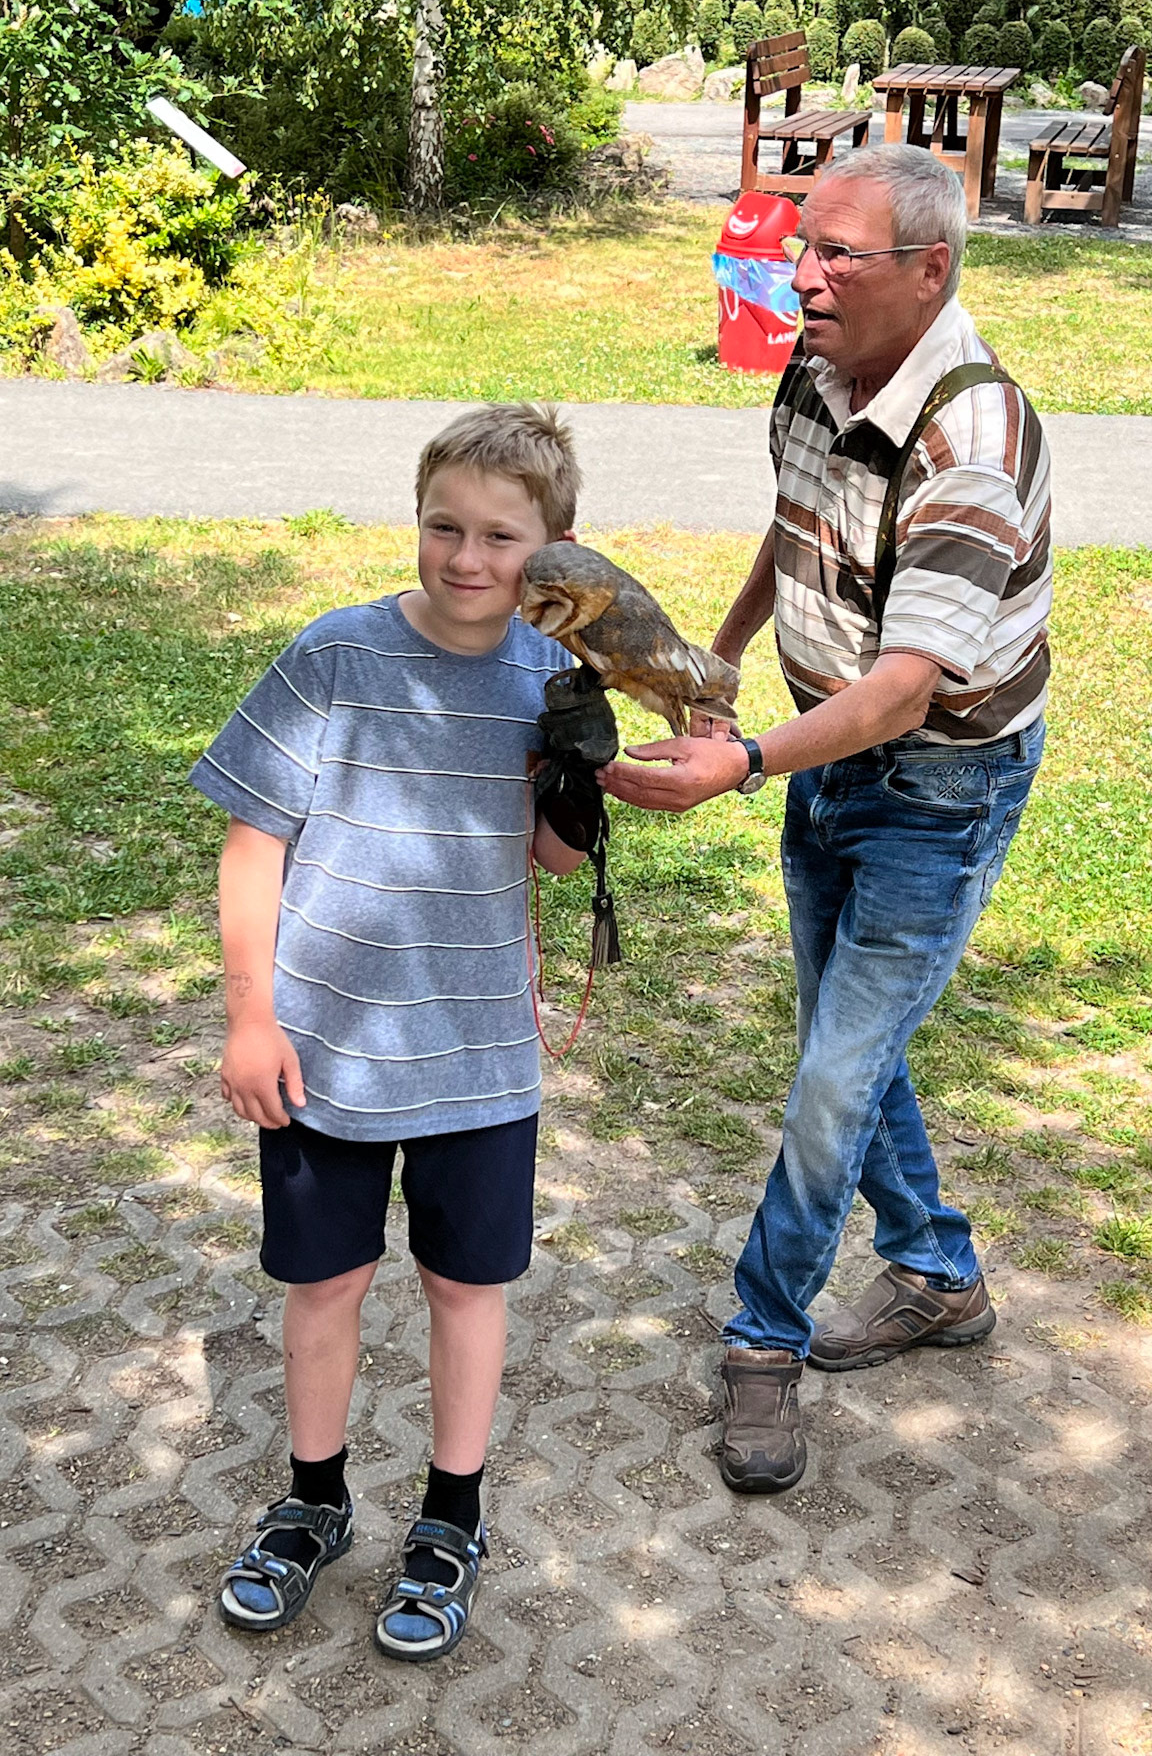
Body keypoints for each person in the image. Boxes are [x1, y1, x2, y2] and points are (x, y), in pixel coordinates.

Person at [600, 146, 1051, 1495]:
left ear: (931, 269)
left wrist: (742, 762)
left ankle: (762, 1340)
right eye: (802, 246)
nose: (801, 277)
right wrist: (729, 649)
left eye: (835, 254)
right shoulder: (816, 366)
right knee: (846, 1055)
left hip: (937, 789)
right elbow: (795, 518)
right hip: (828, 757)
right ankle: (938, 1274)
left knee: (835, 1079)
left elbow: (907, 688)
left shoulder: (974, 442)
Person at [189, 403, 586, 1659]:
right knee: (327, 1282)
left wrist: (582, 767)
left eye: (501, 538)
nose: (468, 557)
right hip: (326, 1050)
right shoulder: (333, 656)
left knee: (467, 1286)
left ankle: (451, 1517)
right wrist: (251, 1016)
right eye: (443, 526)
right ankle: (313, 1500)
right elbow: (252, 844)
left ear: (552, 550)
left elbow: (554, 856)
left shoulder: (551, 674)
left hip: (477, 1056)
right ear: (416, 520)